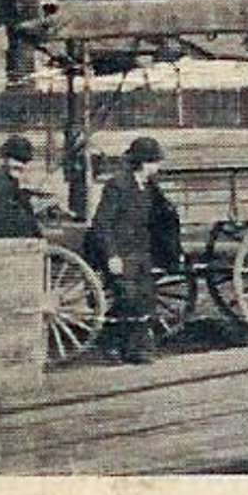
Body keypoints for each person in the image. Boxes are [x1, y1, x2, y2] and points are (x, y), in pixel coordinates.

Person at [88, 136, 165, 364]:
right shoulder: (117, 186)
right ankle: (113, 344)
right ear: (144, 163)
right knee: (127, 297)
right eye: (155, 162)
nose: (158, 166)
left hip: (140, 253)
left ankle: (135, 349)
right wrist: (111, 255)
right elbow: (102, 223)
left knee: (146, 298)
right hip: (119, 253)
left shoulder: (150, 187)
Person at [0, 134, 43, 238]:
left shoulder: (9, 181)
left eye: (24, 161)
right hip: (0, 237)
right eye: (15, 159)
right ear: (5, 159)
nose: (20, 165)